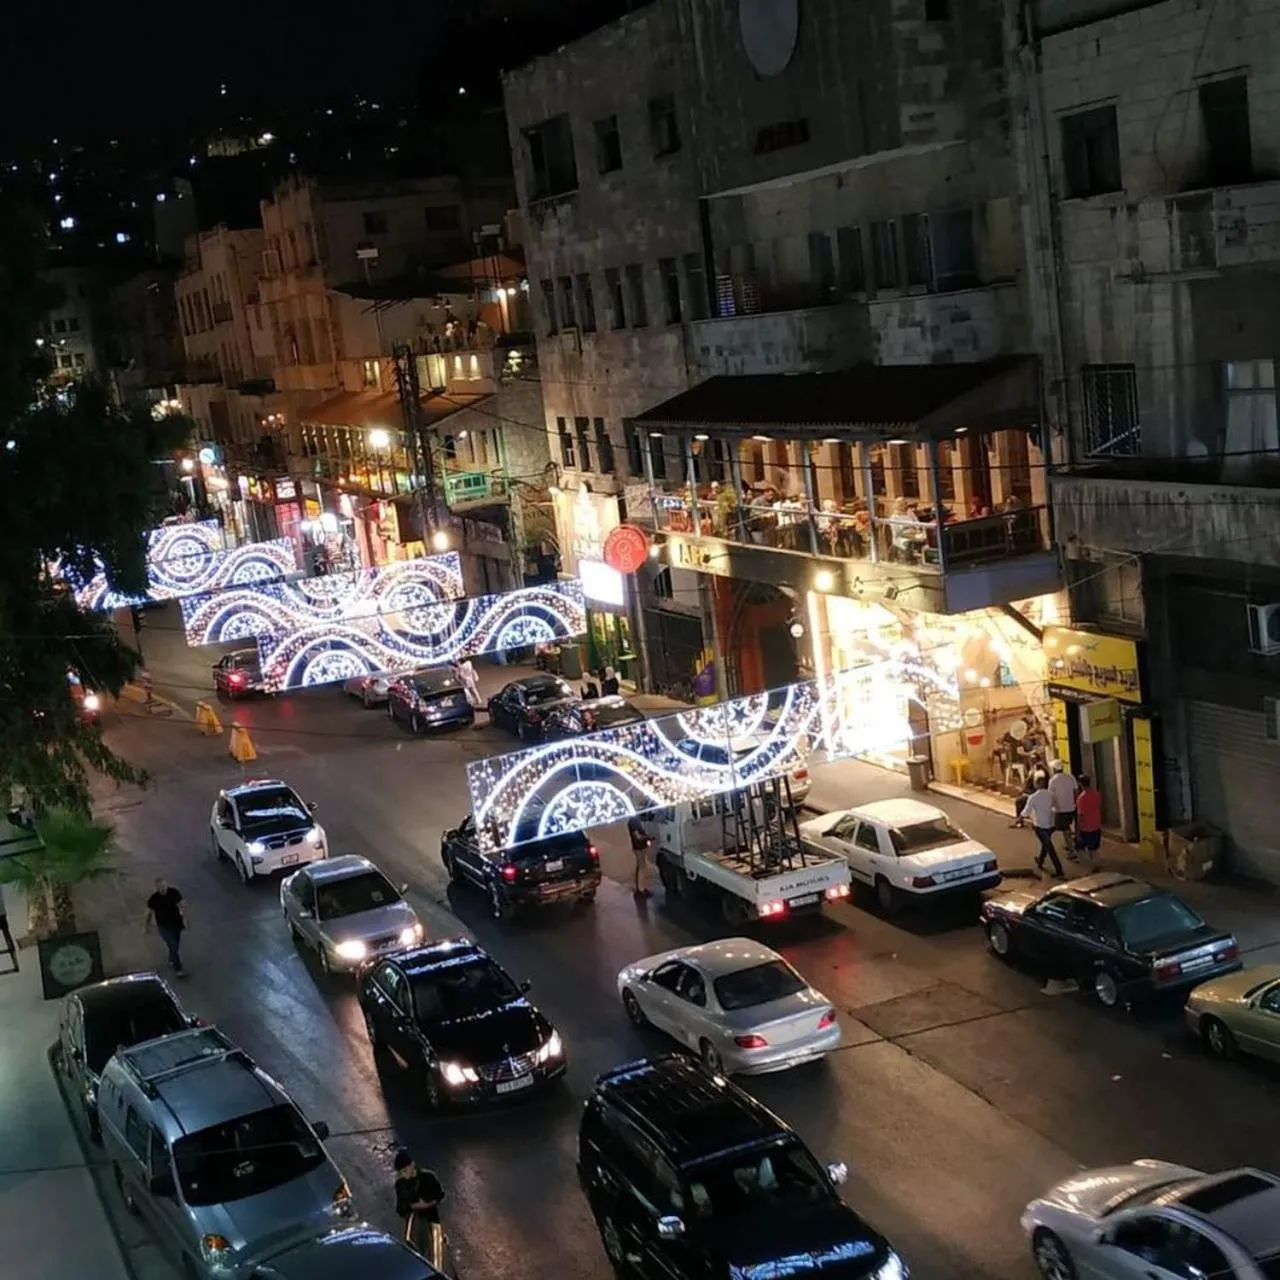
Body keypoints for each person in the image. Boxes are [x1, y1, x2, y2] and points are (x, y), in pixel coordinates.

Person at [393, 1148, 445, 1255]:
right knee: (415, 1253)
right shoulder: (400, 1184)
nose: (403, 1175)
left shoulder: (428, 1177)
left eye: (404, 1171)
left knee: (435, 1254)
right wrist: (413, 1207)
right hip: (414, 1224)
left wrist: (427, 1204)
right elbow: (400, 1208)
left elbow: (440, 1195)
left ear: (412, 1165)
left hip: (432, 1220)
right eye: (401, 1172)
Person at [145, 877, 187, 976]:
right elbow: (150, 913)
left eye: (163, 885)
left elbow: (181, 905)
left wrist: (185, 919)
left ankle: (171, 959)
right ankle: (178, 969)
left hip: (176, 923)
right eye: (160, 886)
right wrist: (147, 925)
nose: (162, 888)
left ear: (166, 884)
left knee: (175, 944)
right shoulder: (153, 899)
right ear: (156, 887)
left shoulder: (174, 892)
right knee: (172, 944)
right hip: (163, 926)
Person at [1024, 776, 1063, 878]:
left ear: (1036, 784)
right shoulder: (1051, 795)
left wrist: (1020, 818)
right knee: (1046, 843)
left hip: (1040, 826)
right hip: (1051, 824)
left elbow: (1026, 811)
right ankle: (1040, 861)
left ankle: (1059, 869)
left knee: (1049, 847)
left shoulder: (1033, 797)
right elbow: (1057, 807)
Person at [1047, 759, 1080, 860]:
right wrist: (1075, 803)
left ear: (1054, 769)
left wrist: (1052, 807)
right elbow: (1076, 791)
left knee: (1065, 830)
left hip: (1060, 809)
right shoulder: (1070, 777)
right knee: (1070, 827)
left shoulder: (1052, 781)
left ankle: (1072, 851)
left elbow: (1051, 796)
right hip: (1072, 808)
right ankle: (1073, 844)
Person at [1075, 773, 1103, 859]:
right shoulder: (1096, 794)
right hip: (1096, 825)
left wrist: (1078, 830)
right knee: (1093, 848)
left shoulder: (1081, 798)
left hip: (1086, 828)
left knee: (1081, 848)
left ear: (1080, 784)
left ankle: (1092, 864)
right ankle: (1095, 862)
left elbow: (1080, 816)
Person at [627, 815, 652, 897]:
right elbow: (637, 836)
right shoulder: (634, 821)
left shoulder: (632, 820)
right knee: (642, 867)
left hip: (637, 846)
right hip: (639, 847)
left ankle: (638, 888)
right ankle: (641, 889)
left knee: (639, 866)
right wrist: (648, 837)